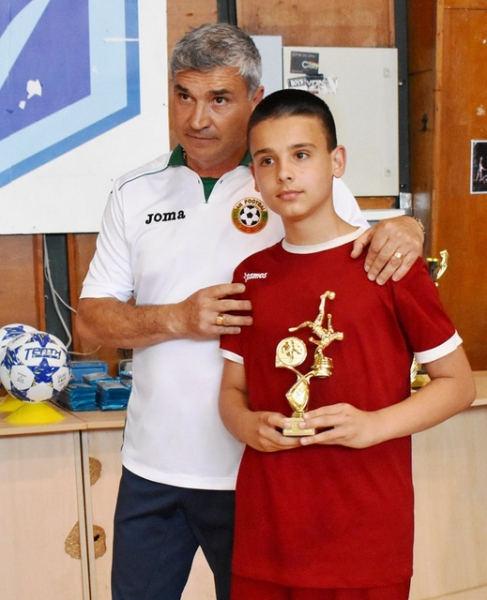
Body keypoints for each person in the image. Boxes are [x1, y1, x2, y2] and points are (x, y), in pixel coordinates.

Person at [76, 23, 426, 600]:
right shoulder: (132, 192)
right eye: (184, 96)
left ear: (254, 99)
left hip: (260, 472)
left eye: (219, 99)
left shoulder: (287, 179)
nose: (197, 118)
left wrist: (409, 227)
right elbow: (89, 321)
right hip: (152, 467)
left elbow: (369, 253)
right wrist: (177, 317)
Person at [218, 88, 476, 600]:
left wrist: (373, 425)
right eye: (267, 160)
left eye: (301, 154)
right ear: (254, 176)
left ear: (336, 161)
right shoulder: (250, 275)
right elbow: (232, 392)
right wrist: (247, 425)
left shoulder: (388, 261)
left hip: (365, 540)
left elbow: (458, 384)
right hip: (266, 539)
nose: (284, 173)